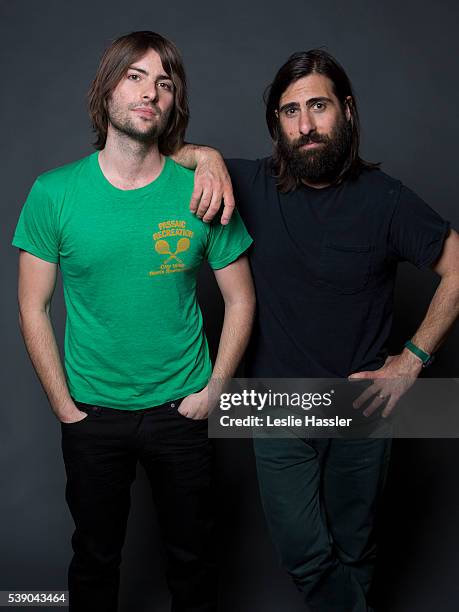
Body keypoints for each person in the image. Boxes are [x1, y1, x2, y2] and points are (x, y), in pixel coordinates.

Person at [172, 49, 459, 611]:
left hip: (362, 401)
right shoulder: (249, 183)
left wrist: (411, 360)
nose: (304, 125)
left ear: (346, 111)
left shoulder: (388, 201)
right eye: (289, 111)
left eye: (318, 106)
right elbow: (153, 151)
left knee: (355, 547)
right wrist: (205, 155)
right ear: (276, 124)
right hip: (275, 403)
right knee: (304, 549)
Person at [12, 31, 255, 612]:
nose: (150, 93)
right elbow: (31, 306)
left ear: (174, 105)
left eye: (164, 83)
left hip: (182, 410)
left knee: (193, 562)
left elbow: (242, 300)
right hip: (93, 412)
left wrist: (213, 393)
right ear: (107, 90)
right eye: (136, 77)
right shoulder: (53, 193)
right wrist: (64, 408)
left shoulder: (201, 191)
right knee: (94, 561)